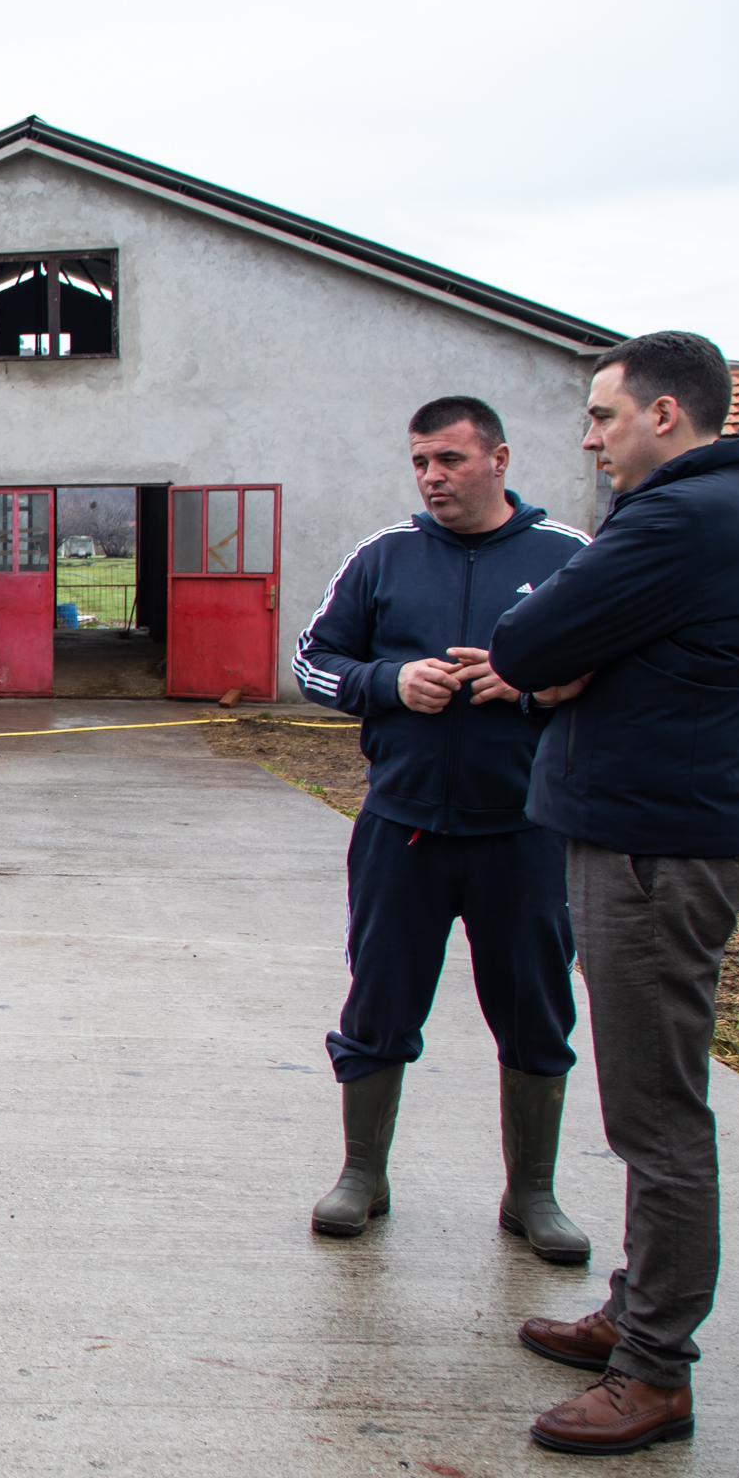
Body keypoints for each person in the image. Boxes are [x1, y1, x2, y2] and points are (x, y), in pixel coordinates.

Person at [488, 330, 739, 1458]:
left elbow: (523, 641)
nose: (589, 438)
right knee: (645, 1104)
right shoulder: (696, 519)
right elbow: (555, 653)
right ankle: (635, 1311)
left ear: (665, 414)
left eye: (603, 416)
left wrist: (562, 662)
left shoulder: (677, 519)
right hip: (643, 836)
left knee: (655, 1116)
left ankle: (653, 1368)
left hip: (655, 853)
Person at [293, 395, 596, 1261]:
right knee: (378, 998)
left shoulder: (567, 557)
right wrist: (389, 682)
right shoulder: (382, 558)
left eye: (450, 461)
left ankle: (530, 1193)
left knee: (535, 1008)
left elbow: (609, 667)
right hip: (404, 829)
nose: (432, 477)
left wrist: (527, 684)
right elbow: (313, 661)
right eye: (421, 461)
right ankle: (362, 1175)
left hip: (524, 831)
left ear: (498, 459)